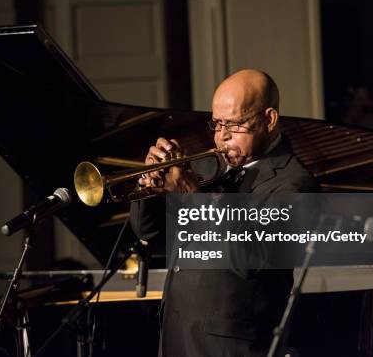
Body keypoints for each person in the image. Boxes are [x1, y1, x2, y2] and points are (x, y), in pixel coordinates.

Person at [130, 69, 319, 356]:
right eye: (217, 124)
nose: (222, 137)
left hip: (228, 347)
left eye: (234, 124)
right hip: (176, 335)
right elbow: (151, 233)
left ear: (269, 120)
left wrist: (191, 196)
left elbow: (251, 258)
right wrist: (150, 184)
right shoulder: (208, 167)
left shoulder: (295, 184)